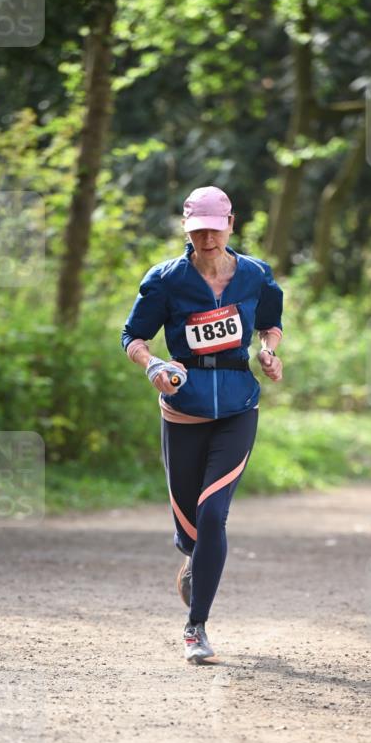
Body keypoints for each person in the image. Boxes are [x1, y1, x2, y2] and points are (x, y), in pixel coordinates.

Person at [122, 186, 283, 661]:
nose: (207, 239)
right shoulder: (165, 280)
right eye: (198, 232)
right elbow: (133, 336)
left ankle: (196, 627)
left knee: (214, 514)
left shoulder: (255, 274)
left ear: (230, 224)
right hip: (183, 410)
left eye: (214, 229)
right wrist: (153, 365)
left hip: (238, 407)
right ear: (186, 230)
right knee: (191, 530)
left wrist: (268, 352)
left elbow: (269, 323)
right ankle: (194, 559)